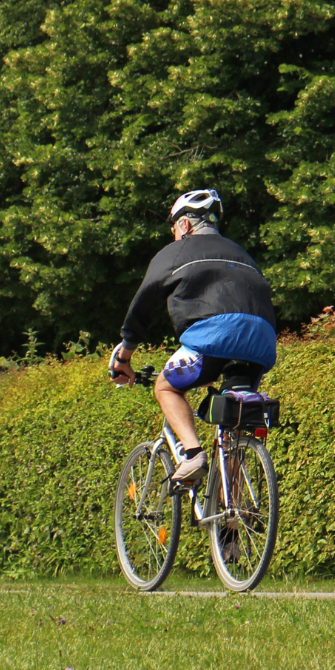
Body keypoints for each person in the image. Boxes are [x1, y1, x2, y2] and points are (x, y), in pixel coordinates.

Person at [108, 189, 278, 483]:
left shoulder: (176, 252)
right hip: (261, 341)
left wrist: (124, 356)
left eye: (174, 228)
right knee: (234, 423)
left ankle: (193, 454)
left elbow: (143, 305)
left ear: (184, 224)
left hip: (214, 336)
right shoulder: (241, 253)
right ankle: (233, 509)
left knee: (166, 388)